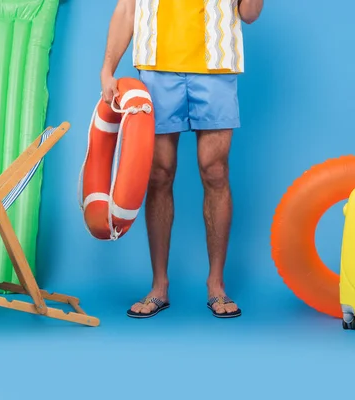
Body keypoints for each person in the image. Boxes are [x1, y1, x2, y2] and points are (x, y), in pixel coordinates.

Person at [100, 0, 264, 319]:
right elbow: (126, 10)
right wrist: (107, 68)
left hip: (215, 66)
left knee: (214, 171)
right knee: (159, 173)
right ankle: (159, 286)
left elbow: (249, 14)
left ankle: (216, 285)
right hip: (156, 68)